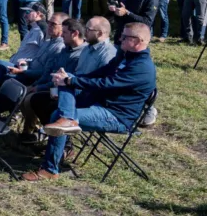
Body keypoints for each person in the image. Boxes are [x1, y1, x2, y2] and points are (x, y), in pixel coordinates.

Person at [23, 22, 157, 181]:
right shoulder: (125, 55)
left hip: (116, 115)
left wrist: (71, 81)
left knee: (56, 115)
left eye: (124, 37)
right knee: (63, 87)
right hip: (100, 103)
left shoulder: (141, 67)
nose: (119, 39)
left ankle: (50, 169)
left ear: (138, 41)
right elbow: (100, 73)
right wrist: (71, 79)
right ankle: (67, 120)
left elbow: (106, 85)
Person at [0, 3, 47, 82]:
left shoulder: (42, 31)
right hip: (15, 65)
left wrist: (27, 62)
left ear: (38, 13)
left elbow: (44, 55)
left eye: (28, 12)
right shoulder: (32, 29)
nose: (24, 15)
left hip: (25, 70)